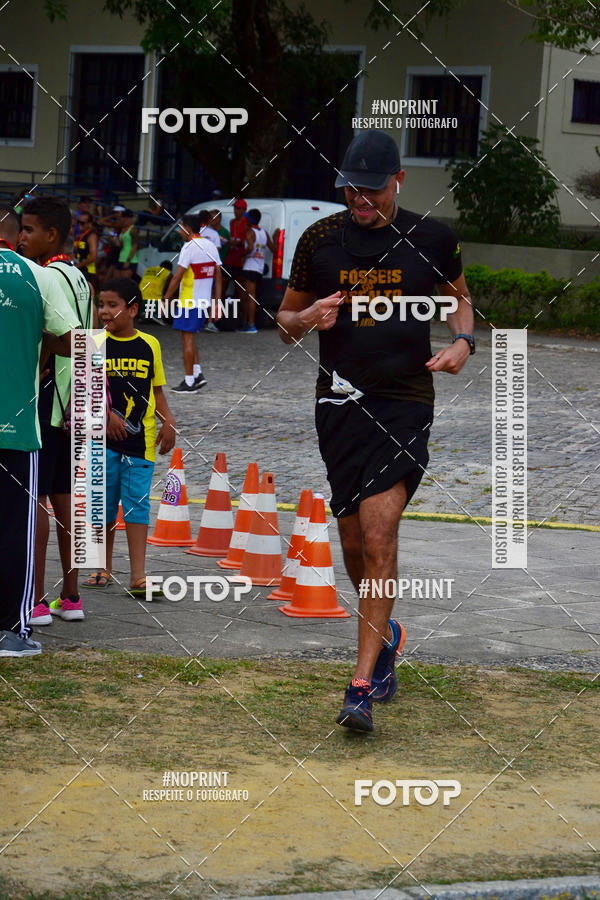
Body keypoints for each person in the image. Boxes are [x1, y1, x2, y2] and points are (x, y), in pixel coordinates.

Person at [276, 130, 475, 733]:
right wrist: (309, 318)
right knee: (355, 546)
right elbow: (284, 323)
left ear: (399, 182)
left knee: (380, 532)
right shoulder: (320, 240)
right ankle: (384, 630)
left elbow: (461, 301)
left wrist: (463, 341)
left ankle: (360, 688)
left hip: (404, 402)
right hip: (338, 404)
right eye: (350, 190)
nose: (359, 200)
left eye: (371, 190)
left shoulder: (432, 238)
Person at [19, 195, 97, 626]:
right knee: (67, 500)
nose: (22, 238)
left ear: (51, 234)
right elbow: (92, 336)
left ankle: (31, 599)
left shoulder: (47, 276)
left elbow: (68, 336)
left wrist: (42, 346)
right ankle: (71, 597)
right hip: (78, 396)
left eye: (28, 230)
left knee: (37, 500)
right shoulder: (79, 276)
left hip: (52, 399)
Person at [0, 207, 75, 657]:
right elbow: (77, 339)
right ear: (14, 235)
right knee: (13, 530)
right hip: (16, 427)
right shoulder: (37, 276)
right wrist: (38, 341)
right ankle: (11, 630)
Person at [84, 279, 176, 594]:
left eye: (112, 305)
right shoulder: (94, 343)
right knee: (103, 506)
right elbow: (84, 390)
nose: (104, 312)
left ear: (133, 309)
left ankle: (138, 575)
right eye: (101, 305)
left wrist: (168, 420)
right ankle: (102, 567)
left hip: (140, 444)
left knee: (137, 507)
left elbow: (157, 389)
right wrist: (106, 414)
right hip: (101, 442)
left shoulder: (150, 344)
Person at [163, 215, 222, 393]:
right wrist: (216, 301)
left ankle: (189, 383)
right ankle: (197, 374)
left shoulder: (189, 247)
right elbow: (218, 275)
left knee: (187, 341)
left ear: (188, 229)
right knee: (189, 337)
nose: (179, 231)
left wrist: (166, 298)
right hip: (202, 301)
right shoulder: (210, 245)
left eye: (180, 228)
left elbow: (177, 276)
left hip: (189, 301)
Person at [240, 208, 274, 333]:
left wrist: (243, 254)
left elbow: (249, 247)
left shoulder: (250, 232)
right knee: (248, 296)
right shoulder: (264, 233)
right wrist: (276, 237)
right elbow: (273, 248)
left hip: (250, 266)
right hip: (259, 268)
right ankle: (246, 324)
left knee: (250, 297)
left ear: (250, 220)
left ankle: (251, 325)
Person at [204, 210, 230, 333]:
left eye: (213, 217)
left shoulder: (223, 232)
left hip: (217, 267)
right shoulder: (204, 232)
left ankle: (212, 320)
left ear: (219, 218)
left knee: (216, 293)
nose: (212, 220)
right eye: (210, 217)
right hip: (205, 268)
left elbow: (218, 251)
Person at [222, 198, 248, 304]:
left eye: (237, 208)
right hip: (230, 257)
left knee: (240, 288)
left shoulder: (247, 223)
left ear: (243, 210)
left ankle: (241, 315)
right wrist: (229, 241)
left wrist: (239, 243)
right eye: (235, 208)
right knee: (223, 283)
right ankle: (219, 311)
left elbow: (250, 239)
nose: (235, 210)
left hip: (240, 258)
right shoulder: (232, 222)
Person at [116, 209, 139, 277]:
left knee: (124, 283)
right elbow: (122, 245)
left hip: (130, 260)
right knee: (117, 281)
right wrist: (115, 242)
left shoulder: (133, 229)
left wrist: (128, 260)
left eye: (125, 219)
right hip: (121, 258)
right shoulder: (123, 230)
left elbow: (135, 246)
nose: (123, 220)